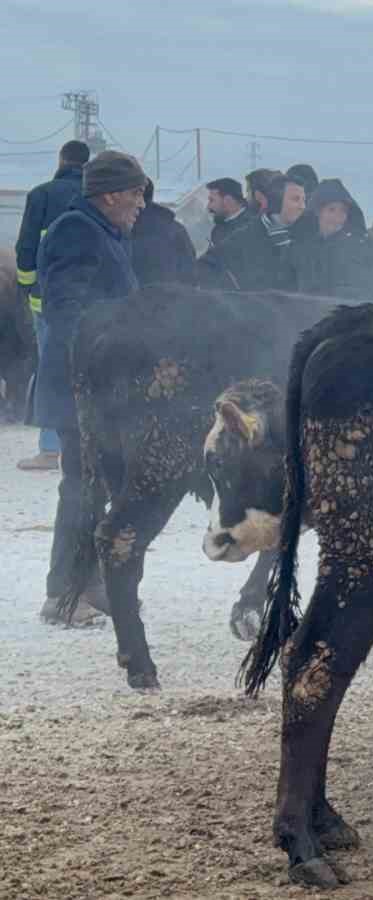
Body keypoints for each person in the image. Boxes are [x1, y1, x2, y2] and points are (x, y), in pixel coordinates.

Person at [35, 151, 147, 624]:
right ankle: (63, 595)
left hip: (101, 388)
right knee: (81, 486)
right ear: (111, 193)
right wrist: (105, 364)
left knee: (98, 484)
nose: (142, 203)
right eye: (137, 193)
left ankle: (90, 582)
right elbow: (68, 312)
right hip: (81, 389)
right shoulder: (76, 231)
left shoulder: (104, 232)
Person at [13, 139, 90, 472]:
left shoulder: (42, 194)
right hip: (89, 301)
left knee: (51, 367)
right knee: (88, 368)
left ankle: (49, 449)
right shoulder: (94, 197)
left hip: (47, 301)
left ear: (61, 159)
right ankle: (88, 447)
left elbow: (26, 246)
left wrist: (28, 285)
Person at [286, 179, 373, 301]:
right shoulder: (301, 250)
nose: (337, 217)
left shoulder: (366, 248)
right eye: (331, 209)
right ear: (318, 211)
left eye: (343, 211)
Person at [198, 173, 306, 291]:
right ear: (277, 200)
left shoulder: (307, 237)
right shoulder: (246, 235)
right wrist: (233, 299)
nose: (302, 206)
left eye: (303, 200)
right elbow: (205, 266)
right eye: (296, 199)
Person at [130, 180, 197, 286]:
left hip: (129, 300)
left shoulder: (120, 229)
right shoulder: (176, 229)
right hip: (173, 298)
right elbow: (190, 271)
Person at [205, 177, 252, 250]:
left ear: (227, 200)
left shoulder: (255, 223)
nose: (208, 207)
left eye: (212, 200)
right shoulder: (217, 231)